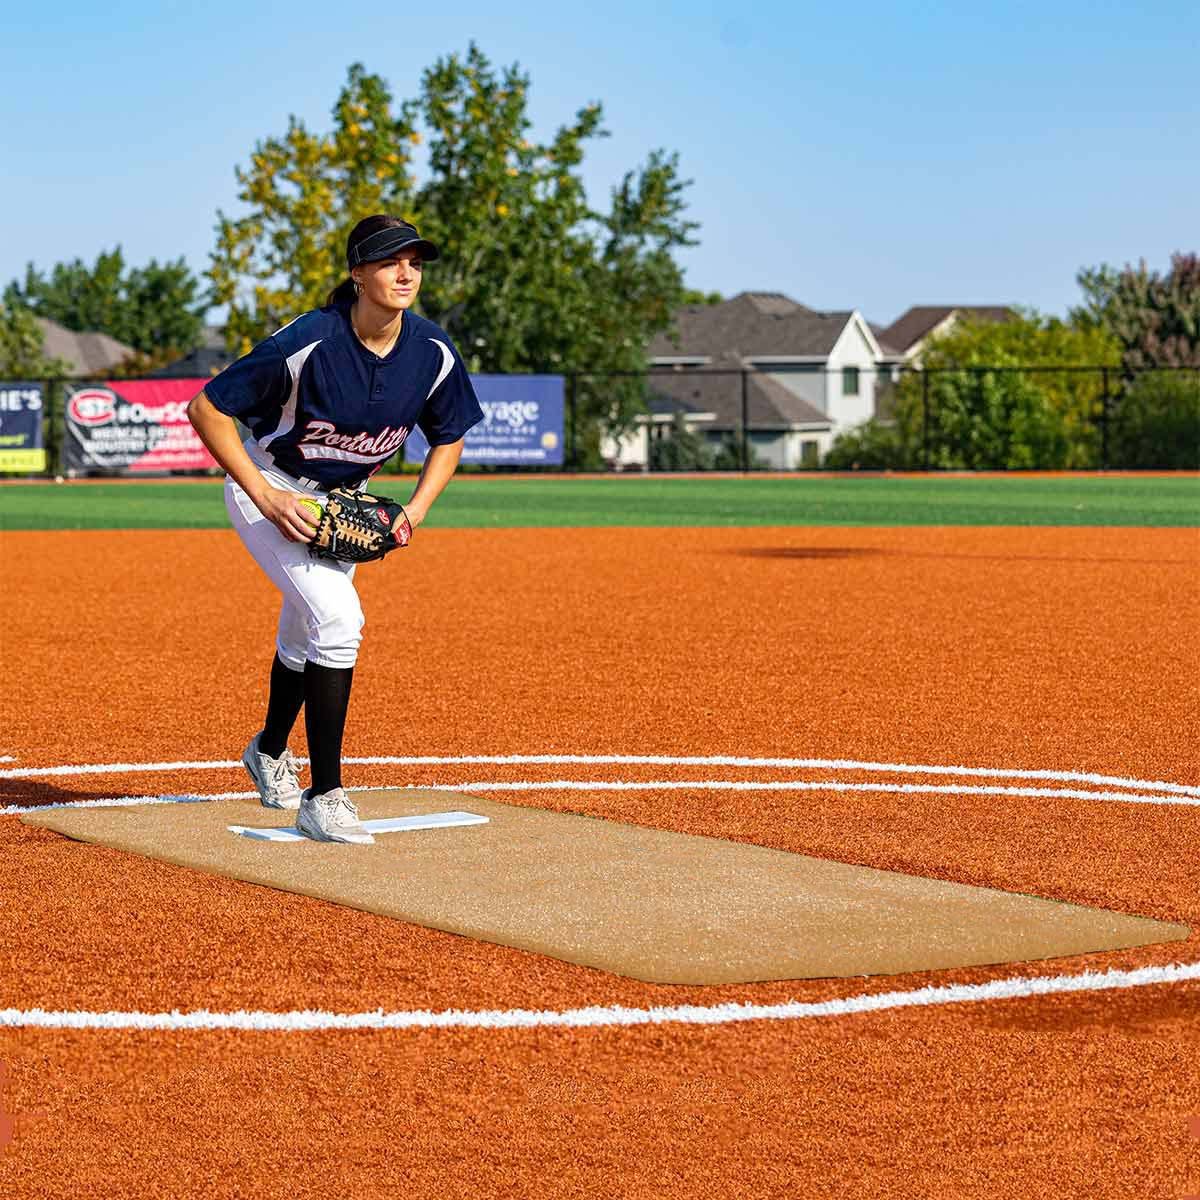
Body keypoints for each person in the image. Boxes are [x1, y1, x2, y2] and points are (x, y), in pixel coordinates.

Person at [187, 215, 482, 844]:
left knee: (305, 632)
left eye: (416, 263)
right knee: (339, 621)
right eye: (389, 261)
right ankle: (323, 796)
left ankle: (268, 751)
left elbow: (449, 435)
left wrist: (415, 510)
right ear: (356, 274)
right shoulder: (311, 340)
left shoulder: (431, 352)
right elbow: (207, 407)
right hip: (272, 490)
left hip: (342, 508)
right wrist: (262, 493)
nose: (406, 273)